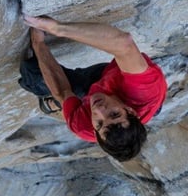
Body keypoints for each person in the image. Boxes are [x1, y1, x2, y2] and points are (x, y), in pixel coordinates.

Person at [18, 15, 167, 161]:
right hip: (116, 82)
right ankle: (153, 109)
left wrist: (38, 43)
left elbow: (62, 92)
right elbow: (124, 44)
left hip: (104, 90)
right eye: (114, 114)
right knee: (129, 72)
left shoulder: (84, 127)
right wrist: (58, 28)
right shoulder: (143, 91)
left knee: (34, 76)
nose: (99, 110)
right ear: (129, 110)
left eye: (100, 123)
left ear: (95, 133)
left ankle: (54, 105)